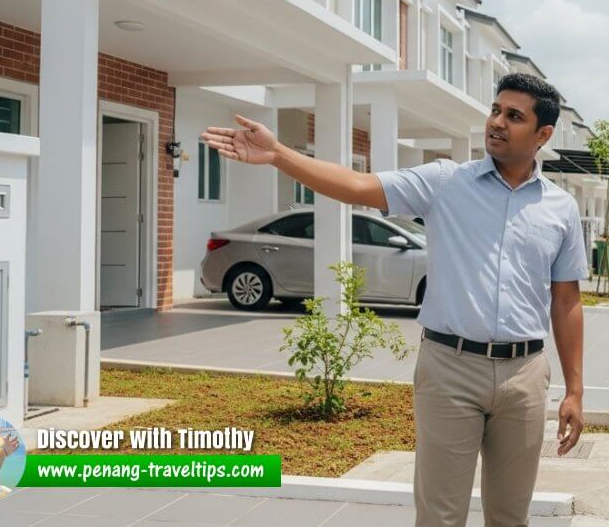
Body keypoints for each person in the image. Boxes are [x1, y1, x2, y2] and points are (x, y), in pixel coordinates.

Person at [202, 73, 587, 527]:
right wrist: (279, 155)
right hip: (450, 369)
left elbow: (566, 302)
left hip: (525, 376)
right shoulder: (446, 181)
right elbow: (356, 185)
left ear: (543, 135)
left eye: (514, 116)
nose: (497, 122)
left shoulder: (560, 208)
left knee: (510, 517)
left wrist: (575, 390)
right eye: (495, 110)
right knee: (440, 516)